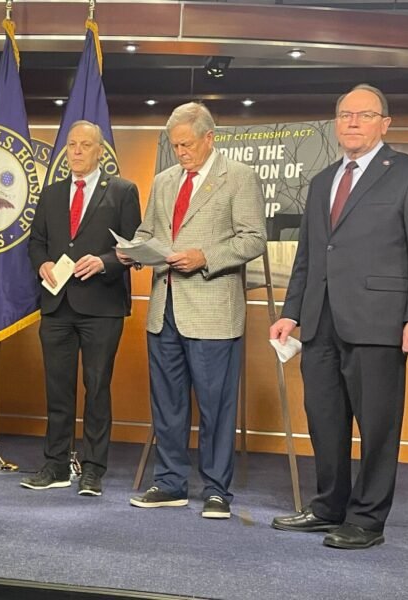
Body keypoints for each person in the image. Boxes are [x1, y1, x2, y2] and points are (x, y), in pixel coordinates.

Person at [270, 84, 408, 549]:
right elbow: (309, 252)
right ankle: (328, 507)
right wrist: (291, 312)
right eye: (344, 114)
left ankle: (367, 520)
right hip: (320, 321)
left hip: (381, 321)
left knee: (378, 425)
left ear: (385, 123)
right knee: (324, 419)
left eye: (364, 115)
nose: (352, 122)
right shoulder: (323, 179)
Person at [123, 102, 266, 519]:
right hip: (163, 309)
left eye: (187, 144)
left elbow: (254, 239)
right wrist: (133, 250)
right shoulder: (165, 181)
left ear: (209, 138)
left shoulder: (239, 178)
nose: (181, 152)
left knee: (216, 404)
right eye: (175, 145)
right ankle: (170, 483)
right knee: (167, 403)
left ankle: (218, 490)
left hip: (212, 311)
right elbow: (149, 232)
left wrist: (205, 256)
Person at [20, 121, 142, 497]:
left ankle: (93, 470)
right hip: (57, 304)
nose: (75, 151)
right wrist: (41, 263)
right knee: (57, 390)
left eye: (84, 145)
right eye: (71, 145)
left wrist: (105, 262)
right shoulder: (52, 193)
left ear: (100, 151)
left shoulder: (122, 191)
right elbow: (36, 241)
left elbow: (135, 246)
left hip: (101, 306)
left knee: (97, 387)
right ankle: (55, 465)